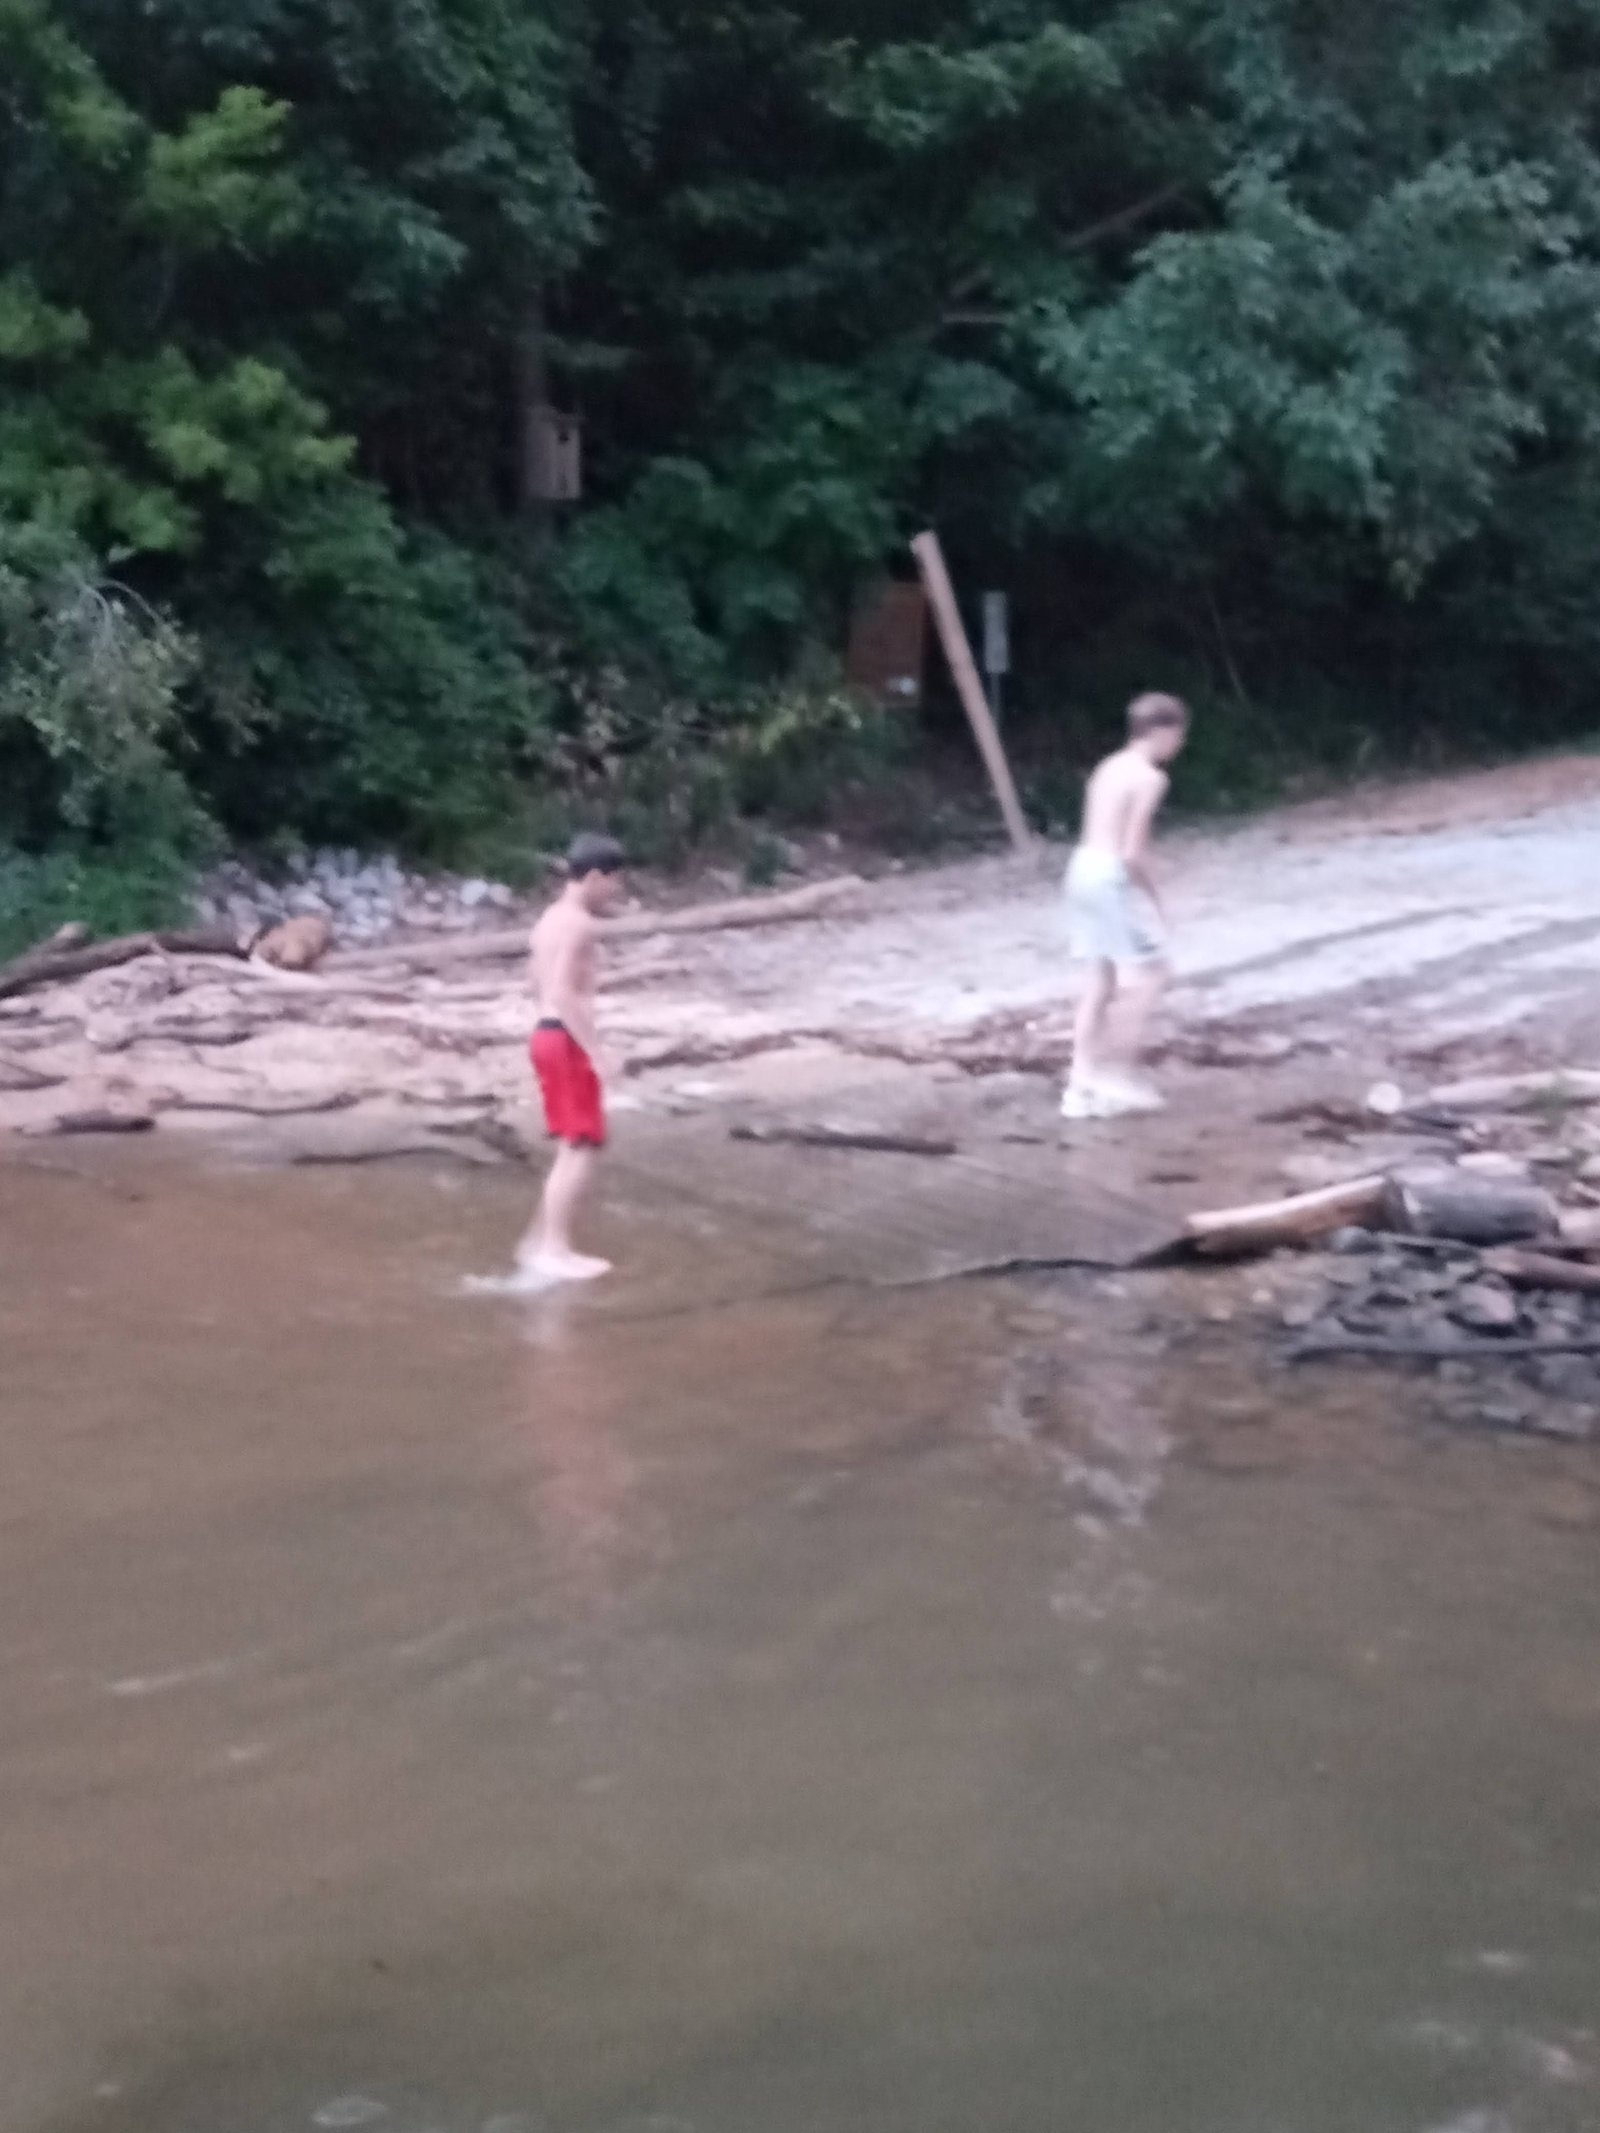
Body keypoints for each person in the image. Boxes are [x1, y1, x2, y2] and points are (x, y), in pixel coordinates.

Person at [1060, 692, 1189, 1120]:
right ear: (1161, 731)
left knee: (1100, 980)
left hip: (1080, 868)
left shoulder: (1109, 766)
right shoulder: (1150, 778)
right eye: (1179, 734)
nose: (1180, 743)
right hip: (1107, 877)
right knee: (1155, 973)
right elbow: (1132, 853)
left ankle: (1079, 1086)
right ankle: (1114, 1073)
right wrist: (1158, 900)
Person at [517, 832, 628, 1282]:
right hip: (565, 1039)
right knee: (582, 1144)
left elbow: (535, 981)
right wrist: (597, 1053)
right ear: (595, 876)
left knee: (573, 1143)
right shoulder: (581, 925)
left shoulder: (548, 919)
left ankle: (541, 1242)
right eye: (615, 881)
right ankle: (554, 1250)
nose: (617, 891)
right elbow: (564, 992)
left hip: (545, 1034)